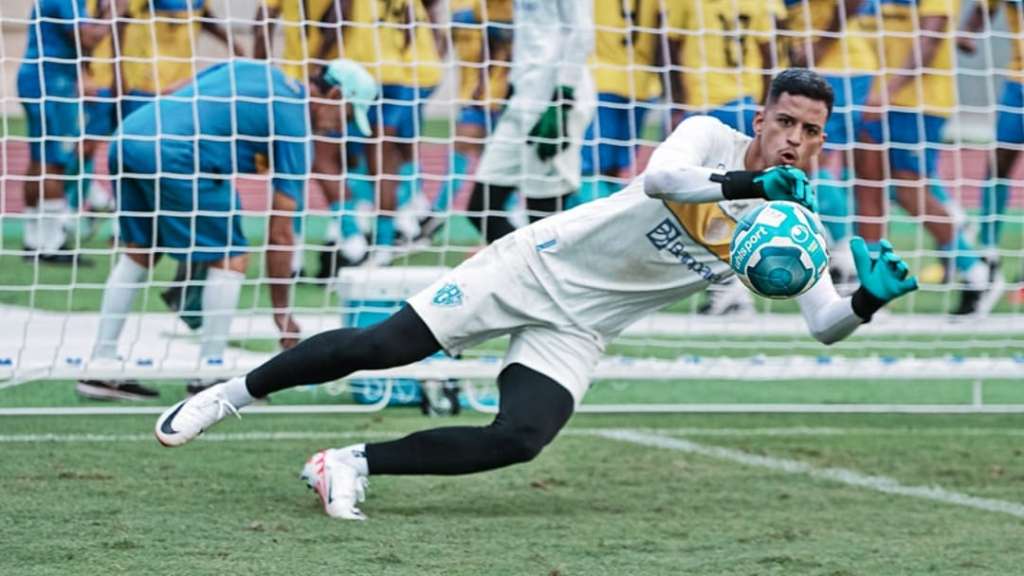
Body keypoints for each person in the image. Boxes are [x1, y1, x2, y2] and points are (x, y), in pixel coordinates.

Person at [154, 69, 918, 520]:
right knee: (380, 347)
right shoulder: (710, 142)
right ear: (760, 117)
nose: (795, 138)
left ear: (823, 140)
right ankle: (227, 394)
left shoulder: (794, 224)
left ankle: (347, 463)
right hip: (533, 266)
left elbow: (821, 323)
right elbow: (661, 179)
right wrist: (751, 180)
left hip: (584, 325)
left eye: (810, 131)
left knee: (520, 438)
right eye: (785, 121)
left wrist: (865, 303)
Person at [76, 59, 378, 401]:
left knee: (140, 249)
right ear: (335, 95)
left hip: (131, 135)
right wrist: (282, 314)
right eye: (348, 117)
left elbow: (178, 89)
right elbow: (280, 232)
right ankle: (210, 373)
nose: (340, 129)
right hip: (179, 154)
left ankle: (100, 365)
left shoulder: (256, 69)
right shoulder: (296, 127)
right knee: (232, 257)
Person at [856, 0, 997, 315]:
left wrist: (887, 92)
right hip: (869, 96)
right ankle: (870, 287)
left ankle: (975, 271)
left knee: (910, 193)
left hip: (916, 103)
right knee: (867, 189)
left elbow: (930, 40)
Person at [666, 0, 779, 316]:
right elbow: (768, 54)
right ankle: (733, 287)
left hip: (706, 104)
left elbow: (671, 48)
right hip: (745, 103)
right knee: (737, 203)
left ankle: (728, 289)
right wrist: (767, 107)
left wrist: (677, 101)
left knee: (707, 204)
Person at [466, 0, 596, 244]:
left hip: (555, 101)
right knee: (481, 207)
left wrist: (563, 96)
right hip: (522, 99)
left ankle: (563, 272)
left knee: (541, 213)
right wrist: (513, 87)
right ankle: (523, 269)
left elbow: (582, 33)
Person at [784, 0, 879, 288]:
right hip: (818, 68)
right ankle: (840, 252)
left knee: (810, 161)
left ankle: (846, 256)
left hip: (839, 69)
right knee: (804, 165)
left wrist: (822, 43)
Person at [18, 0, 112, 265]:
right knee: (54, 162)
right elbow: (86, 39)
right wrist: (115, 12)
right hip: (52, 82)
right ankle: (52, 244)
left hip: (41, 78)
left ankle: (34, 240)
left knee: (40, 160)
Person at [959, 0, 1016, 303]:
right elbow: (985, 6)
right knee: (998, 166)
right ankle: (989, 251)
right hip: (1018, 83)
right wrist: (969, 31)